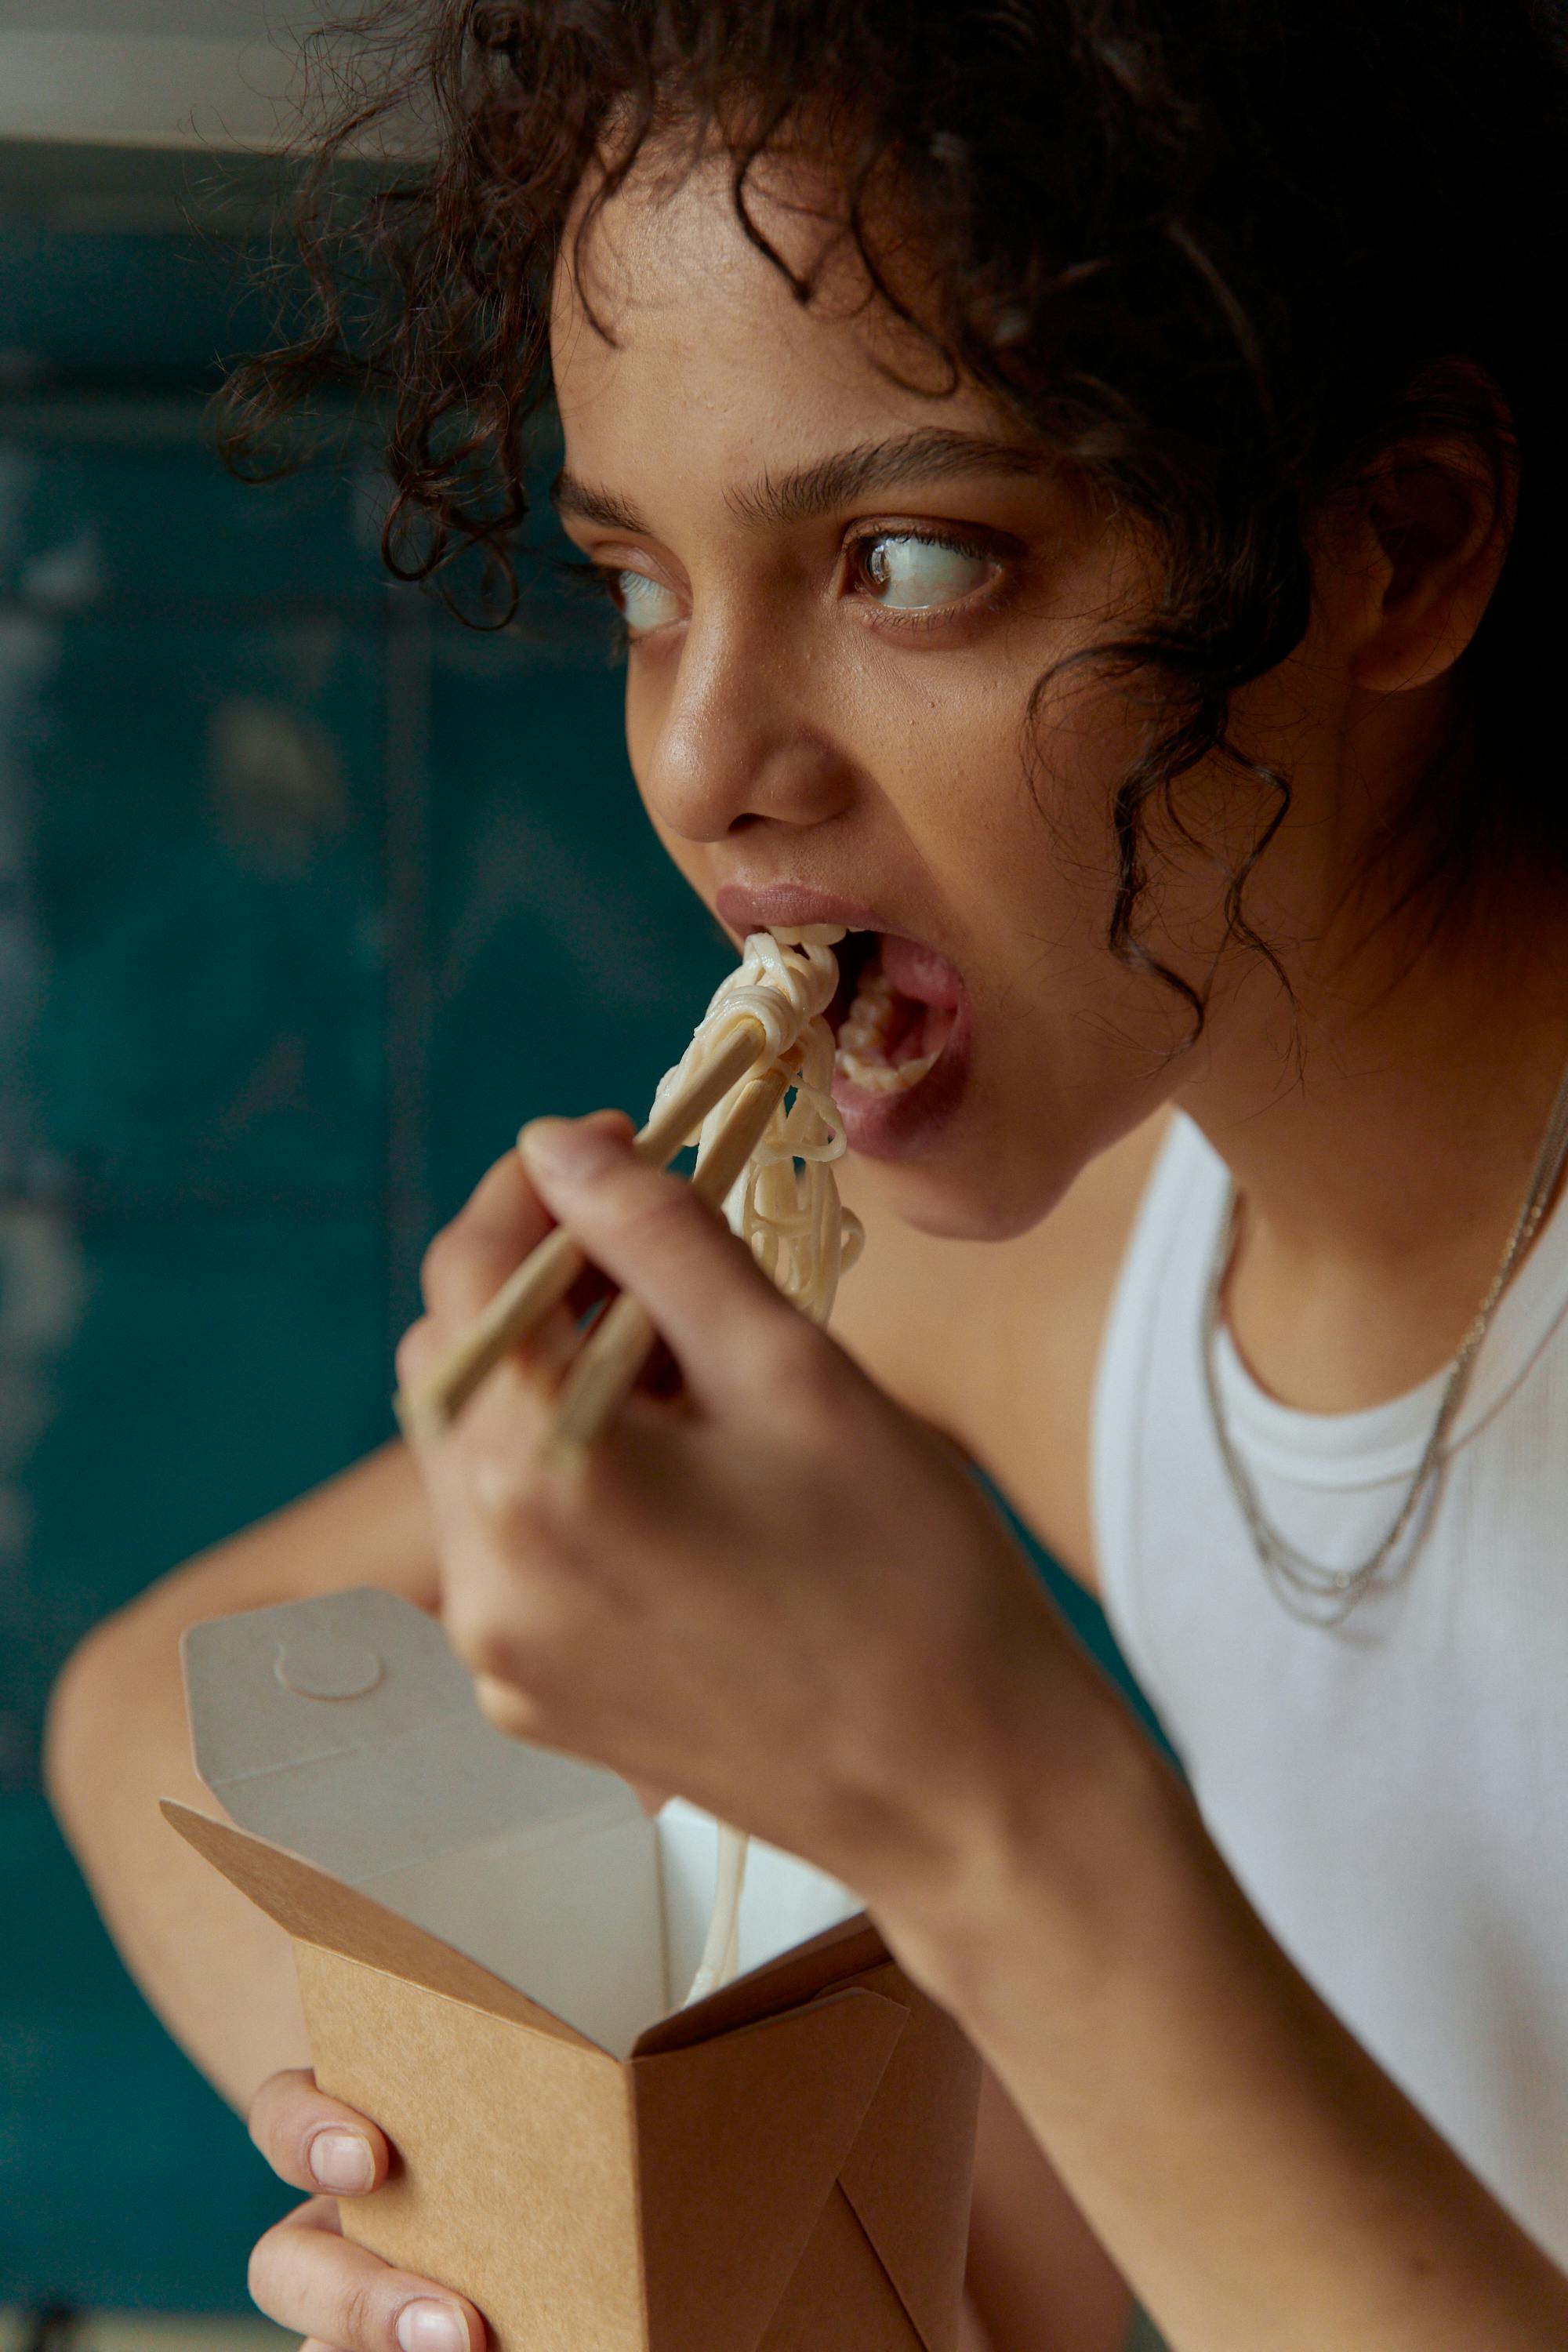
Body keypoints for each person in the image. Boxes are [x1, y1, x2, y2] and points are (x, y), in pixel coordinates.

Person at [44, 4, 1568, 2347]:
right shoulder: (1085, 1282)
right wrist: (501, 2181)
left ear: (1402, 544)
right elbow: (153, 1706)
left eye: (911, 557)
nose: (698, 760)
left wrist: (984, 1808)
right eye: (642, 585)